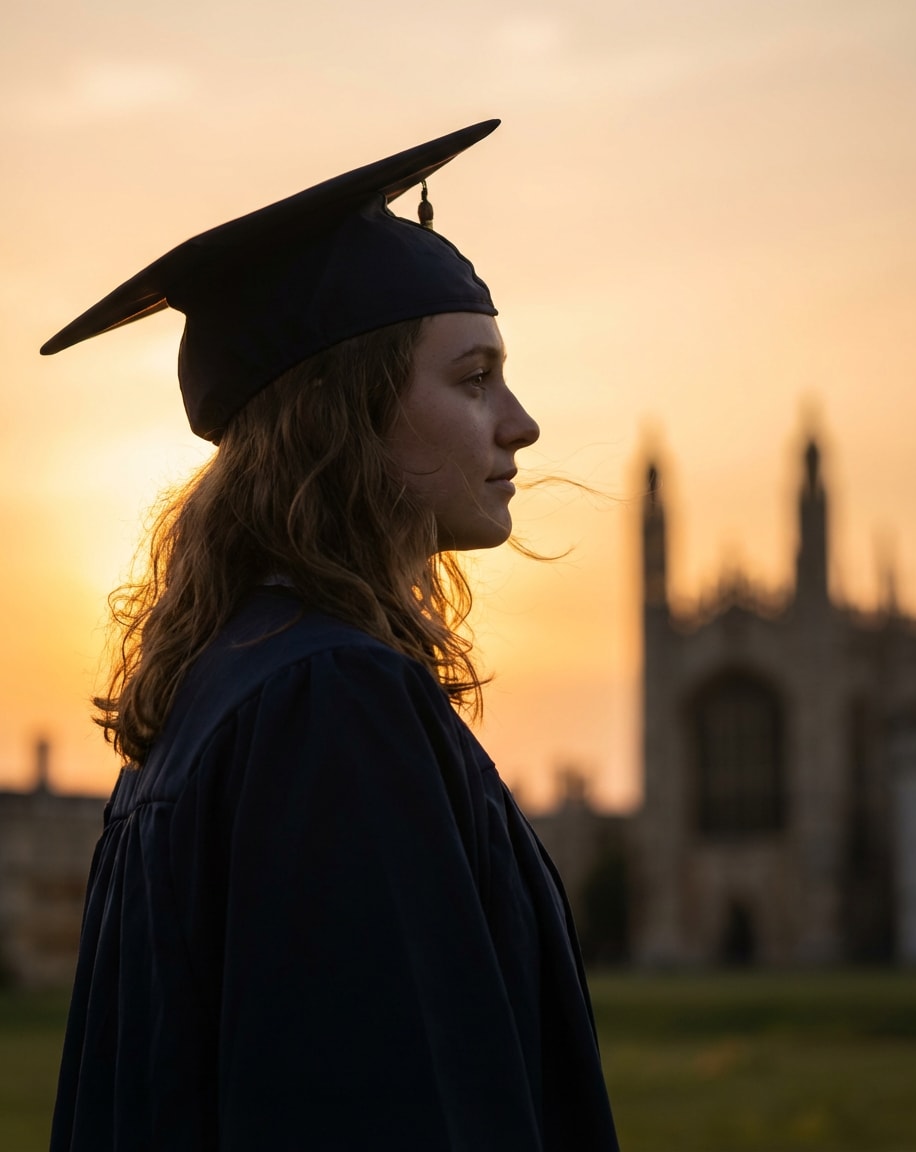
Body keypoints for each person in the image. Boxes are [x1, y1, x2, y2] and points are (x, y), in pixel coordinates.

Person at [42, 120, 621, 1151]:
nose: (521, 421)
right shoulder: (329, 703)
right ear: (345, 416)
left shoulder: (223, 691)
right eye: (473, 376)